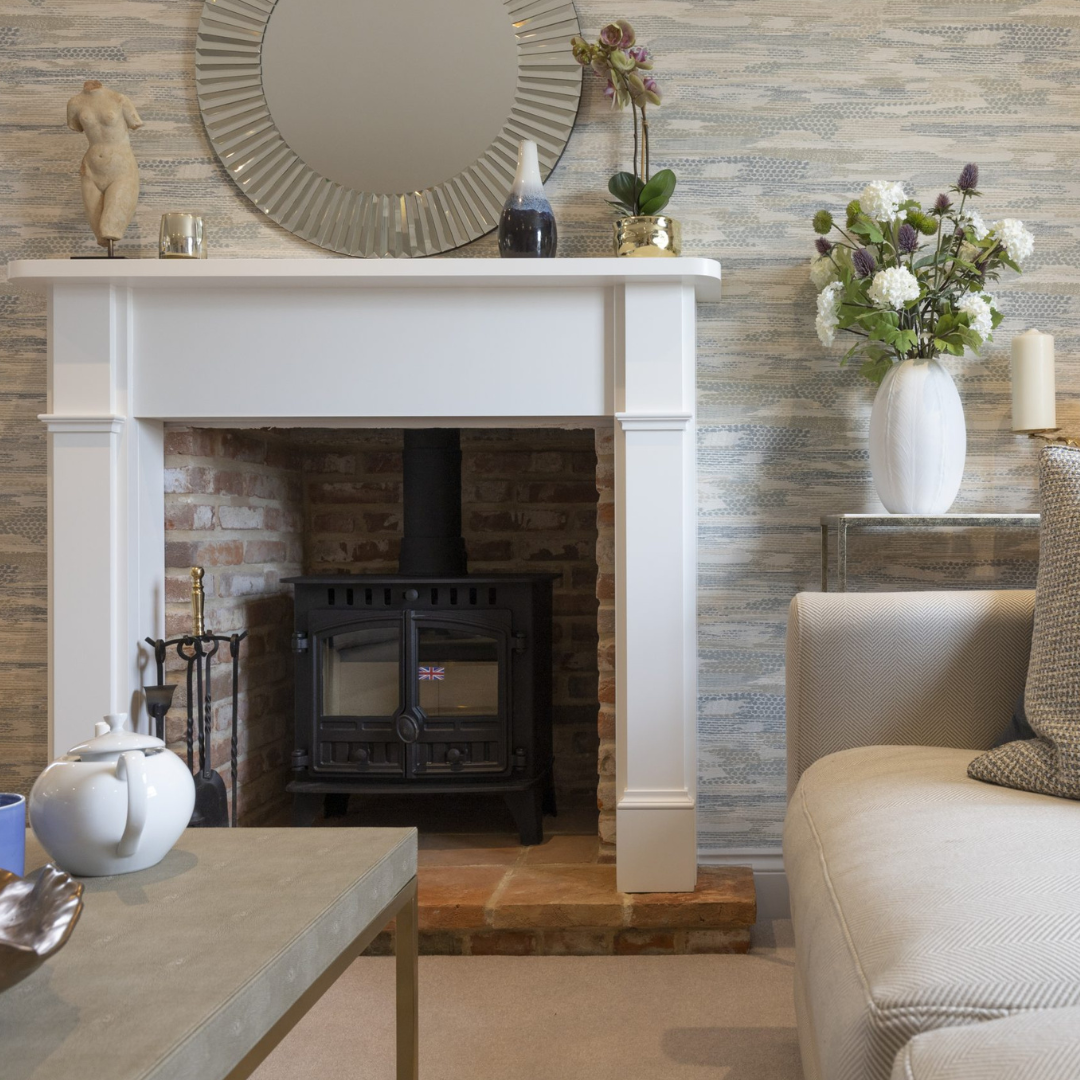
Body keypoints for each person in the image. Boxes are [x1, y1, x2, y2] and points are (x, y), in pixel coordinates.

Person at [66, 80, 142, 253]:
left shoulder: (119, 99)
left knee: (110, 226)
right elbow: (75, 126)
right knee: (100, 233)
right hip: (91, 169)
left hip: (121, 168)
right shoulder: (74, 103)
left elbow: (134, 122)